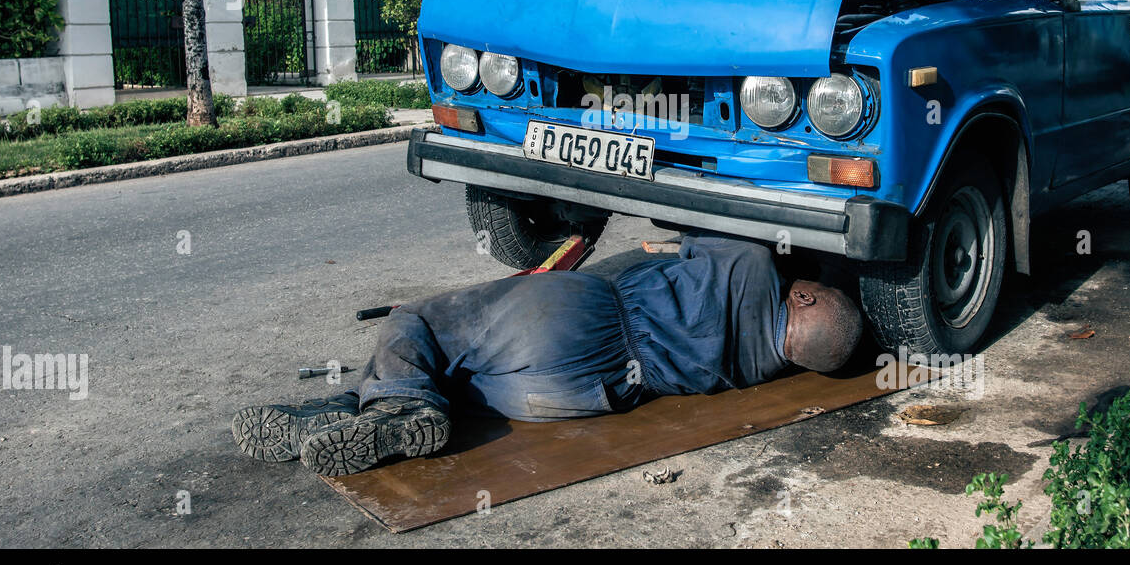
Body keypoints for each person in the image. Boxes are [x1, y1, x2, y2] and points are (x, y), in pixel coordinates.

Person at [232, 234, 862, 477]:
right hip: (578, 399)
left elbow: (691, 221)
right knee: (453, 373)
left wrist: (666, 246)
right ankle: (345, 413)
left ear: (802, 296)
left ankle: (391, 406)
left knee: (417, 320)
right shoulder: (760, 369)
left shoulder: (753, 266)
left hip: (583, 321)